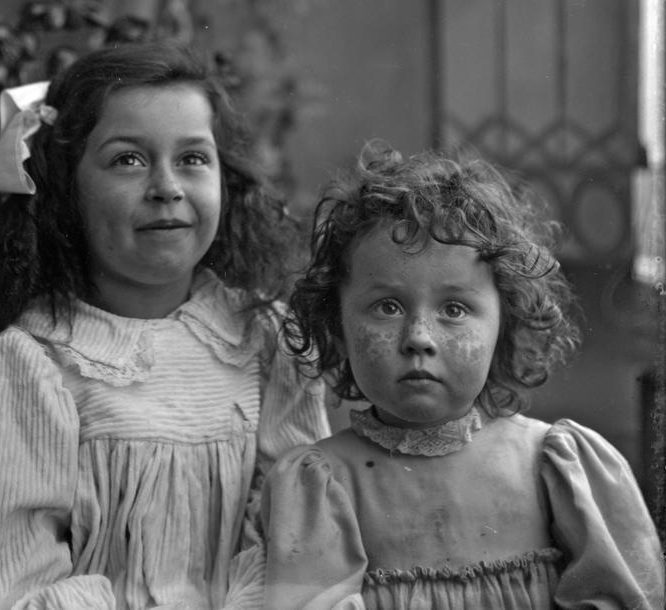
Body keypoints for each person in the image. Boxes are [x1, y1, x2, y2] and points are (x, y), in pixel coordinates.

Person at [0, 41, 331, 610]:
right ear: (67, 190)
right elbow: (18, 569)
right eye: (128, 160)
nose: (166, 186)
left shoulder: (266, 339)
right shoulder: (35, 358)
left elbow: (300, 530)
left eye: (192, 158)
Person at [262, 141, 665, 609]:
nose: (418, 337)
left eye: (454, 308)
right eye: (387, 307)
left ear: (505, 322)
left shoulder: (555, 467)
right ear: (337, 324)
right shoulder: (322, 484)